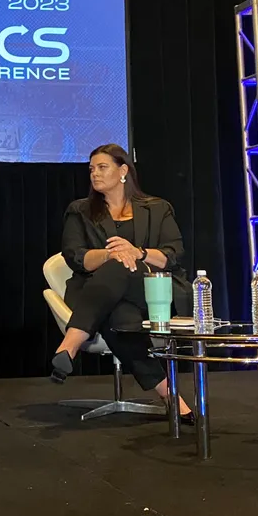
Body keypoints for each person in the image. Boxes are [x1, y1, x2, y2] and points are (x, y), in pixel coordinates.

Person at [51, 143, 194, 422]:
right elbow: (75, 257)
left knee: (120, 269)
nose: (95, 174)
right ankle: (171, 396)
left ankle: (70, 343)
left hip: (151, 289)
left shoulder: (157, 208)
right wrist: (110, 254)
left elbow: (173, 255)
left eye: (102, 167)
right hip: (99, 293)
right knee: (118, 316)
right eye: (91, 169)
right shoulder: (80, 211)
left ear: (123, 171)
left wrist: (136, 252)